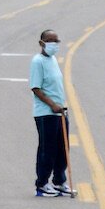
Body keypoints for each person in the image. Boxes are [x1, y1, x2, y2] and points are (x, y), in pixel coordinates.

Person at [29, 29, 73, 197]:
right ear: (42, 43)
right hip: (45, 113)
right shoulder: (37, 61)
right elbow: (36, 88)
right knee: (47, 149)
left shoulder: (53, 60)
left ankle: (59, 181)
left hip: (59, 111)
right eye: (50, 41)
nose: (54, 44)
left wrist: (59, 107)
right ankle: (42, 184)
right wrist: (52, 105)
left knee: (63, 149)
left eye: (56, 41)